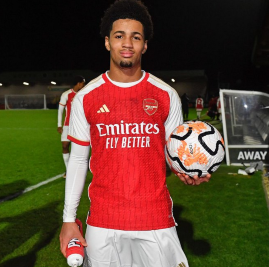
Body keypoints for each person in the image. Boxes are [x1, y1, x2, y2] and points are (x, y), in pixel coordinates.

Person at [59, 1, 211, 266]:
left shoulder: (166, 96)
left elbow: (173, 155)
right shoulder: (86, 98)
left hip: (155, 218)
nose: (127, 43)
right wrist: (68, 219)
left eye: (135, 37)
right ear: (108, 42)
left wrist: (187, 171)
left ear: (145, 45)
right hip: (103, 221)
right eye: (119, 36)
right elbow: (79, 159)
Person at [57, 75, 86, 178]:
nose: (84, 85)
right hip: (67, 125)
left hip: (81, 125)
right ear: (78, 83)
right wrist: (59, 125)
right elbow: (60, 110)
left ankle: (78, 170)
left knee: (77, 149)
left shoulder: (84, 94)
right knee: (65, 146)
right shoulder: (66, 94)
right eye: (83, 83)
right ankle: (68, 170)